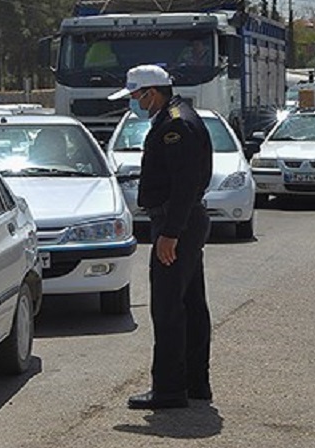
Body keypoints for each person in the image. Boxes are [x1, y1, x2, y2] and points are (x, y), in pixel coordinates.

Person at [108, 64, 213, 410]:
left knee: (168, 309)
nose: (135, 103)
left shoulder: (175, 125)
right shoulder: (177, 116)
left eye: (136, 96)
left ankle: (169, 389)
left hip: (175, 222)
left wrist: (170, 233)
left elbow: (184, 185)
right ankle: (195, 382)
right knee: (190, 304)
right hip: (183, 221)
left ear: (151, 93)